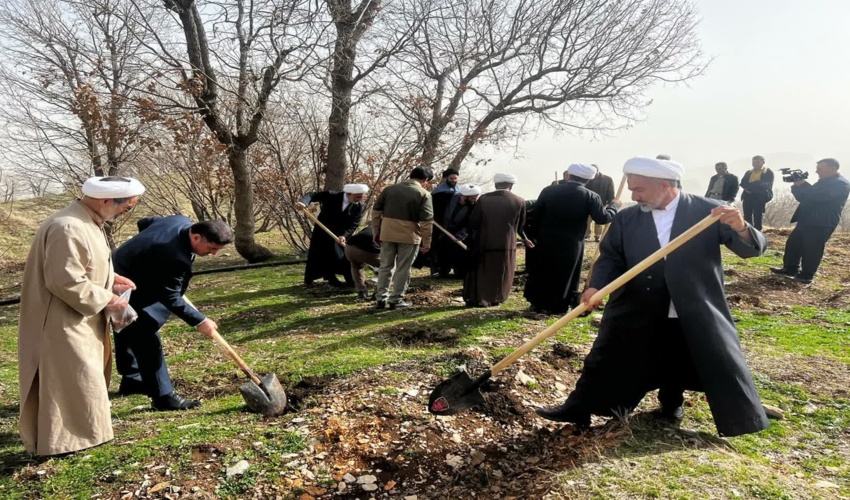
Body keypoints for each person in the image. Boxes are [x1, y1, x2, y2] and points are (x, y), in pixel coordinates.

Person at [536, 156, 770, 438]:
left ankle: (673, 406)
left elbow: (752, 250)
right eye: (632, 189)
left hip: (692, 301)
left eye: (639, 190)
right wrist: (596, 286)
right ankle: (578, 408)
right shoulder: (627, 217)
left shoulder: (709, 212)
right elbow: (611, 257)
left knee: (686, 352)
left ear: (664, 185)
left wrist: (741, 227)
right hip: (637, 300)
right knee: (607, 353)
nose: (633, 196)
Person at [18, 176, 143, 456]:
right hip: (60, 320)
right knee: (69, 379)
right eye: (128, 207)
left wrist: (112, 279)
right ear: (106, 201)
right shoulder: (68, 226)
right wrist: (108, 298)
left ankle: (85, 435)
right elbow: (64, 281)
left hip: (79, 317)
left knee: (82, 377)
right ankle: (62, 443)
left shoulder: (89, 222)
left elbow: (86, 266)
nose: (127, 211)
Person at [112, 216, 233, 411]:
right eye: (211, 248)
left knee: (129, 326)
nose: (214, 254)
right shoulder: (173, 256)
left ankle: (133, 379)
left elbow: (145, 223)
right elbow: (171, 297)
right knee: (143, 330)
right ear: (195, 237)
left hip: (135, 270)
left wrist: (146, 250)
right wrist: (200, 321)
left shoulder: (179, 220)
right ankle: (164, 397)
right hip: (124, 280)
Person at [524, 164, 619, 314]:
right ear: (588, 180)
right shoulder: (590, 196)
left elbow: (536, 215)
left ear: (568, 176)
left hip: (547, 239)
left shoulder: (549, 191)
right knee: (566, 274)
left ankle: (537, 303)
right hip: (571, 243)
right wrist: (614, 206)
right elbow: (602, 218)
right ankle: (558, 306)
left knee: (543, 271)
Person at [769, 158, 850, 284]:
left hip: (822, 222)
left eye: (820, 168)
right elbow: (804, 197)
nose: (817, 171)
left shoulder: (840, 183)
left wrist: (803, 184)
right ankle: (790, 269)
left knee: (812, 248)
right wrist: (796, 185)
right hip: (806, 219)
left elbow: (819, 196)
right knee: (793, 244)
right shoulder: (822, 182)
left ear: (833, 168)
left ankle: (807, 275)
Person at [463, 173, 533, 307]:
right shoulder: (519, 201)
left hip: (485, 242)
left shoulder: (483, 199)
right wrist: (525, 239)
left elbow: (473, 222)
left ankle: (480, 298)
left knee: (483, 270)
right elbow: (520, 226)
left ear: (495, 185)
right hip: (507, 244)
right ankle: (497, 298)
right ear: (511, 186)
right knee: (502, 272)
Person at [372, 166, 434, 309]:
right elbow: (426, 222)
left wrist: (376, 231)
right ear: (425, 180)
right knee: (403, 268)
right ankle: (396, 299)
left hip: (387, 233)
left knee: (385, 266)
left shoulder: (389, 189)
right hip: (409, 235)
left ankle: (381, 298)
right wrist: (427, 241)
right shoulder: (424, 194)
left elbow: (376, 212)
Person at [296, 184, 368, 286]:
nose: (360, 199)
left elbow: (354, 224)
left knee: (343, 256)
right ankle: (321, 279)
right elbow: (312, 195)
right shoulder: (331, 195)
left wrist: (344, 235)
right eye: (358, 196)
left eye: (362, 196)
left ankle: (351, 281)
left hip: (339, 235)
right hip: (322, 231)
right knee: (319, 255)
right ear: (349, 194)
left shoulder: (358, 206)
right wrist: (303, 203)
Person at [434, 184, 480, 279]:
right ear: (463, 196)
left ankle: (460, 273)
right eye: (472, 198)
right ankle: (442, 272)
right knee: (443, 253)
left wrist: (460, 235)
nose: (475, 200)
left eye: (476, 197)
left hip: (463, 235)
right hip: (445, 231)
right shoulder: (449, 197)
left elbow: (472, 223)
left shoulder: (475, 206)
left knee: (461, 255)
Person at [344, 226, 381, 300]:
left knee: (356, 266)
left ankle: (361, 291)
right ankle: (379, 292)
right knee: (388, 267)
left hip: (350, 248)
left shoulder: (370, 227)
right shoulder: (389, 230)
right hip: (368, 251)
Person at [740, 155, 774, 230]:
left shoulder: (768, 172)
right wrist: (754, 184)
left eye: (757, 162)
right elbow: (742, 183)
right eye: (754, 162)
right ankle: (748, 230)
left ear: (763, 162)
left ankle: (758, 231)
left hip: (759, 196)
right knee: (747, 215)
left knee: (757, 215)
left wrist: (751, 185)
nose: (755, 164)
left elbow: (766, 184)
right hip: (747, 195)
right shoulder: (749, 172)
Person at [584, 166, 616, 241]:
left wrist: (611, 200)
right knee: (587, 220)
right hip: (588, 202)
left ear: (598, 170)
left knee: (599, 219)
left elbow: (611, 191)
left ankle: (597, 236)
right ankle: (587, 235)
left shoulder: (607, 179)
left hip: (602, 202)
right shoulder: (587, 179)